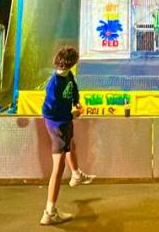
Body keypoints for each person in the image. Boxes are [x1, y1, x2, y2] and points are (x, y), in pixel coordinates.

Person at [41, 46, 94, 226]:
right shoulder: (54, 84)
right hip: (57, 125)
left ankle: (76, 174)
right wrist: (71, 115)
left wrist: (77, 103)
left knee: (71, 144)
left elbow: (73, 88)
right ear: (72, 63)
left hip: (64, 122)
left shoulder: (68, 76)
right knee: (58, 167)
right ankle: (49, 212)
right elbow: (49, 111)